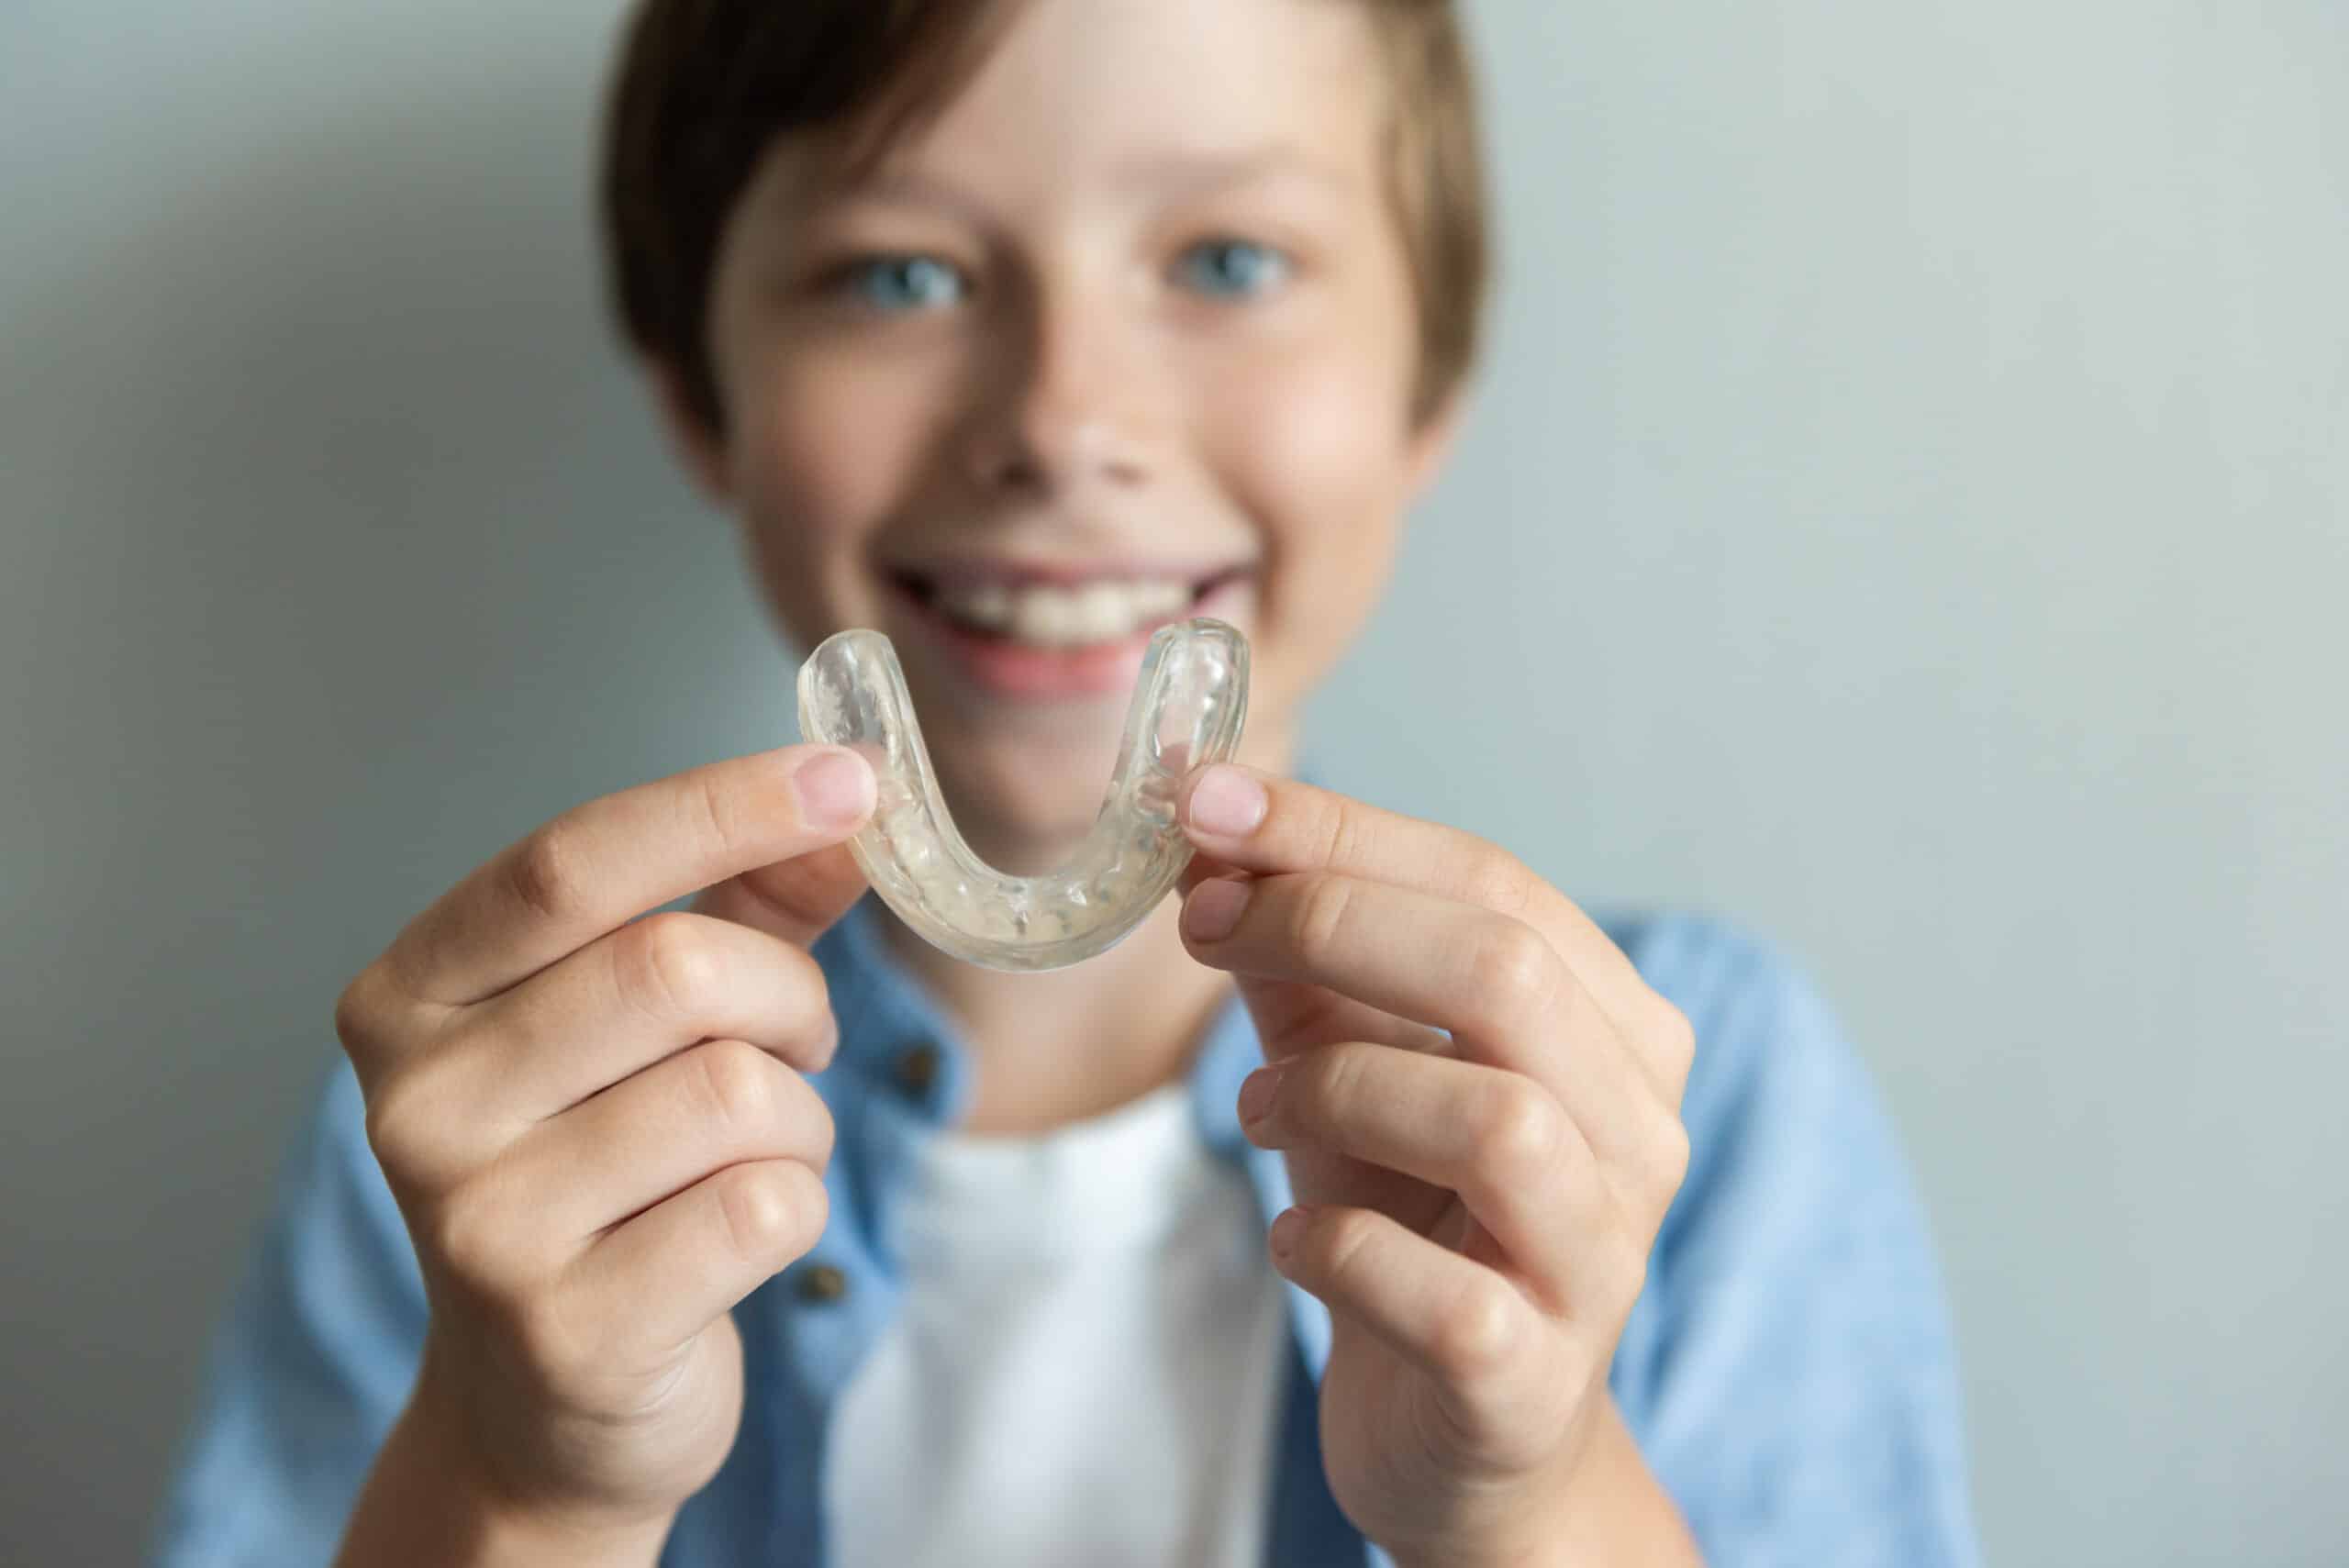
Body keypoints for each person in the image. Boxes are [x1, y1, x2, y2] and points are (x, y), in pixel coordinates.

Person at [150, 1, 1981, 1563]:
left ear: (1423, 387)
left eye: (1227, 261)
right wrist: (515, 1486)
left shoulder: (1692, 1107)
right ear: (701, 398)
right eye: (901, 273)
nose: (1059, 422)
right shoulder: (501, 1140)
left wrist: (1535, 1496)